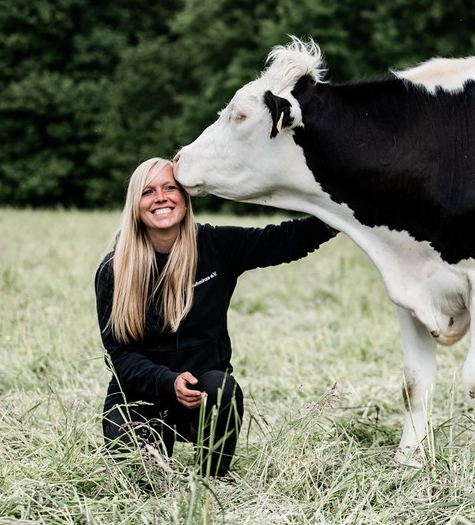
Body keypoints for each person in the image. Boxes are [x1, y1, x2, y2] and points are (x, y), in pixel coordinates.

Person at [95, 157, 333, 478]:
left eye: (170, 188)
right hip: (139, 398)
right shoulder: (114, 270)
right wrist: (168, 381)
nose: (161, 198)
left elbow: (285, 240)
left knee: (222, 388)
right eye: (148, 192)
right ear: (135, 205)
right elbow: (121, 355)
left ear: (185, 196)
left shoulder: (215, 246)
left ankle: (213, 476)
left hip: (202, 395)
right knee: (143, 480)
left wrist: (341, 213)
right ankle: (151, 450)